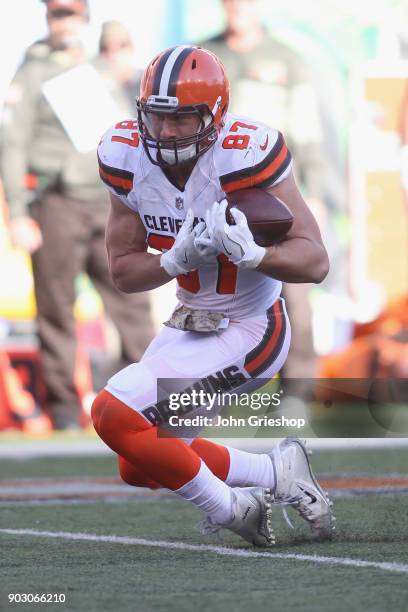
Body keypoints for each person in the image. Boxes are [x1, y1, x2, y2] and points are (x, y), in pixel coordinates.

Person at [91, 45, 334, 547]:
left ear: (215, 114)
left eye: (182, 119)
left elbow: (315, 260)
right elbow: (123, 273)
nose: (166, 132)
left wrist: (255, 255)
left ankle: (233, 509)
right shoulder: (124, 157)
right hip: (191, 323)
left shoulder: (246, 154)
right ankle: (275, 471)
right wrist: (173, 261)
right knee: (138, 465)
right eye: (157, 118)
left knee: (113, 414)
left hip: (251, 331)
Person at [0, 0, 154, 430]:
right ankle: (66, 411)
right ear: (47, 18)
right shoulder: (31, 72)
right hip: (57, 202)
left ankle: (139, 403)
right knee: (56, 310)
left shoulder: (101, 68)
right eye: (56, 12)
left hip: (110, 202)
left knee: (132, 301)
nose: (63, 20)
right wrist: (17, 212)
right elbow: (11, 144)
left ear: (85, 18)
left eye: (71, 12)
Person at [201, 0, 332, 382]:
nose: (236, 8)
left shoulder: (286, 59)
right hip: (217, 186)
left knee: (292, 282)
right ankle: (211, 382)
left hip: (276, 187)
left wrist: (318, 192)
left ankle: (298, 385)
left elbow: (307, 131)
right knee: (212, 285)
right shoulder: (206, 55)